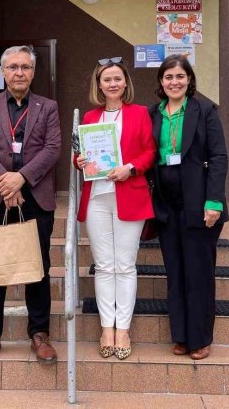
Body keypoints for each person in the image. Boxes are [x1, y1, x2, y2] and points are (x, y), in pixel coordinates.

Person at [0, 45, 61, 365]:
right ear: (3, 72)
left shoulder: (47, 106)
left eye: (25, 67)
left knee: (38, 267)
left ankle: (39, 333)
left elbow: (52, 148)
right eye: (13, 67)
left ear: (33, 72)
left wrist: (21, 178)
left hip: (35, 196)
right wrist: (6, 181)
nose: (19, 72)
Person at [148, 54, 228, 360]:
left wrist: (214, 201)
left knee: (198, 272)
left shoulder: (205, 110)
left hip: (199, 203)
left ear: (189, 80)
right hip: (167, 204)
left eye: (180, 76)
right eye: (168, 77)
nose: (174, 82)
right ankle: (180, 336)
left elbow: (219, 157)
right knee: (176, 272)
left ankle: (200, 338)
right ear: (161, 82)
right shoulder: (153, 113)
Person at [75, 57, 156, 360]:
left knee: (124, 265)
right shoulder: (91, 116)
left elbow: (150, 152)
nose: (112, 84)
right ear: (99, 84)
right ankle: (105, 326)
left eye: (117, 79)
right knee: (104, 266)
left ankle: (123, 327)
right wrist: (79, 161)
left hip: (129, 193)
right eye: (106, 79)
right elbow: (80, 154)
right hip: (97, 197)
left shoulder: (139, 114)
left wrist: (131, 168)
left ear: (125, 83)